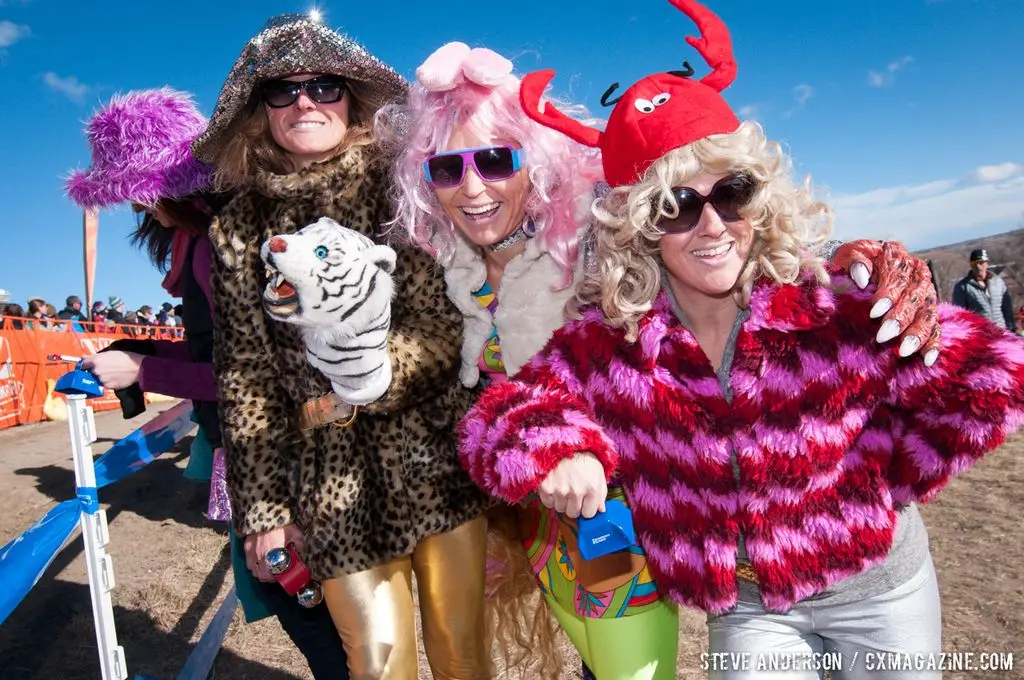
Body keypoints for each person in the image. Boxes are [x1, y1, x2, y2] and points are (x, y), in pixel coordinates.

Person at [458, 2, 1017, 679]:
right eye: (677, 206)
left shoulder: (831, 306)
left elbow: (994, 380)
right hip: (750, 610)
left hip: (881, 592)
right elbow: (497, 419)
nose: (712, 224)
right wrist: (560, 446)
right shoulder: (611, 348)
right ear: (640, 228)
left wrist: (894, 452)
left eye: (732, 193)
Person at [192, 13, 491, 679]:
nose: (305, 101)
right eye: (283, 91)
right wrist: (266, 511)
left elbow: (449, 321)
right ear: (259, 111)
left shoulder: (404, 185)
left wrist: (380, 373)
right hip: (328, 486)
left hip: (433, 459)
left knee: (463, 653)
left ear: (350, 98)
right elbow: (245, 381)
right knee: (377, 663)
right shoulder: (238, 229)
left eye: (324, 86)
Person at [66, 87, 350, 680]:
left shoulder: (219, 246)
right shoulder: (213, 237)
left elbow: (259, 372)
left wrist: (145, 370)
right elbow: (221, 348)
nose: (143, 213)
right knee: (309, 606)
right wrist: (144, 349)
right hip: (276, 451)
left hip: (276, 455)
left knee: (311, 613)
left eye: (138, 199)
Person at [952, 248, 1016, 330]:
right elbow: (960, 314)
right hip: (981, 335)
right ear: (971, 265)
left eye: (981, 263)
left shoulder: (998, 282)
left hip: (1002, 331)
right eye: (975, 263)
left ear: (986, 263)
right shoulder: (963, 287)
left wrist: (1011, 327)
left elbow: (1007, 307)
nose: (978, 266)